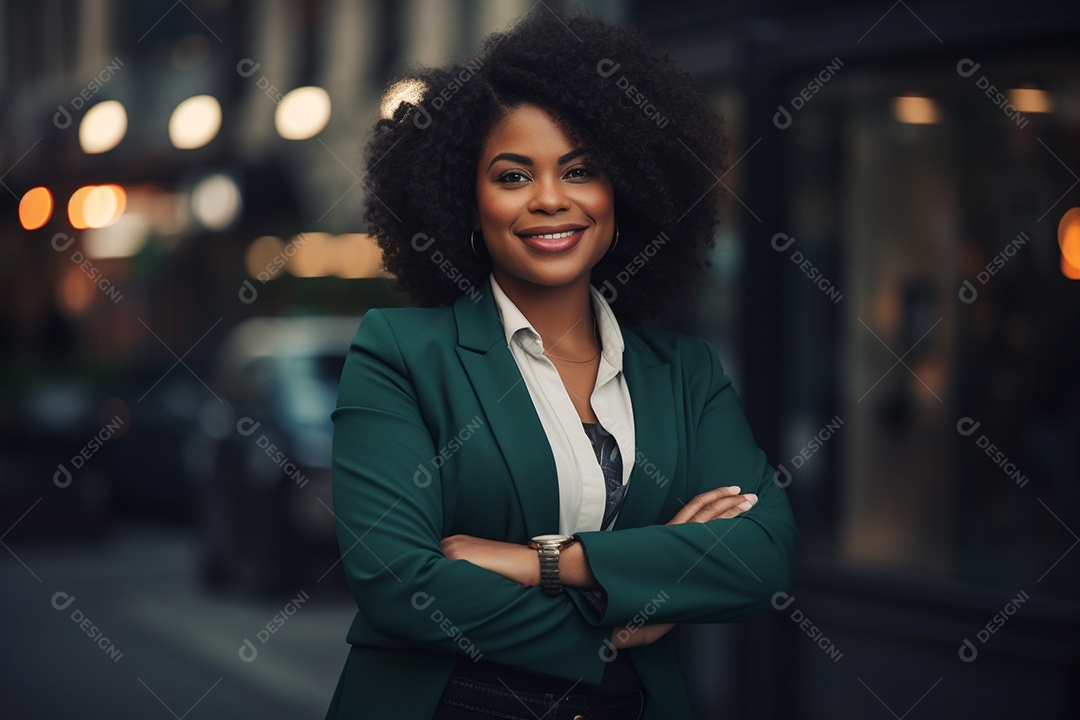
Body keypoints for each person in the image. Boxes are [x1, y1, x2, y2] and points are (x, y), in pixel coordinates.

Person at [324, 7, 797, 719]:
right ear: (466, 201)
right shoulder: (400, 352)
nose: (551, 199)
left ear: (623, 192)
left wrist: (547, 561)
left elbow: (761, 557)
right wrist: (623, 615)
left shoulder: (684, 373)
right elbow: (401, 584)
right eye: (514, 176)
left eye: (580, 170)